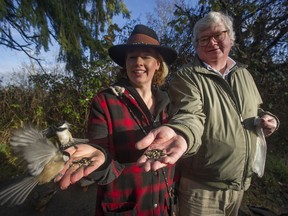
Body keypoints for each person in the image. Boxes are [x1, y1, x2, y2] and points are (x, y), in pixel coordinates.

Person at [135, 11, 280, 215]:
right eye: (204, 39)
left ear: (230, 37)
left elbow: (253, 110)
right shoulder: (187, 76)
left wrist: (269, 120)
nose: (212, 43)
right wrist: (182, 134)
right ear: (196, 44)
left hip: (239, 186)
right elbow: (189, 114)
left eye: (218, 35)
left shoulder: (244, 73)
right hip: (201, 189)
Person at [56, 24, 178, 215]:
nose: (138, 62)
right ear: (125, 64)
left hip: (161, 203)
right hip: (125, 206)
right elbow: (100, 151)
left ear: (158, 64)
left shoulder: (169, 102)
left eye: (146, 56)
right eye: (132, 57)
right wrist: (101, 159)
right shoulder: (105, 101)